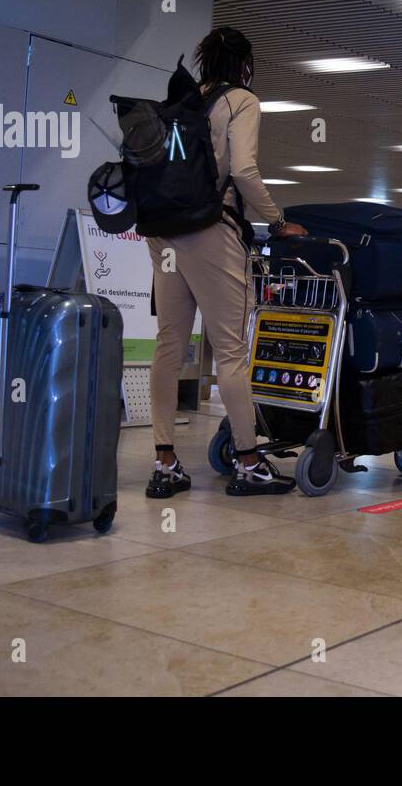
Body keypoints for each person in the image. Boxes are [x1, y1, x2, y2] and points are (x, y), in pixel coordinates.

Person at [146, 27, 306, 499]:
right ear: (244, 64)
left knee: (169, 344)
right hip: (211, 231)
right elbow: (243, 171)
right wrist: (277, 223)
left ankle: (165, 462)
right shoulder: (242, 100)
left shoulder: (185, 101)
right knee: (233, 350)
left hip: (163, 232)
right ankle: (250, 462)